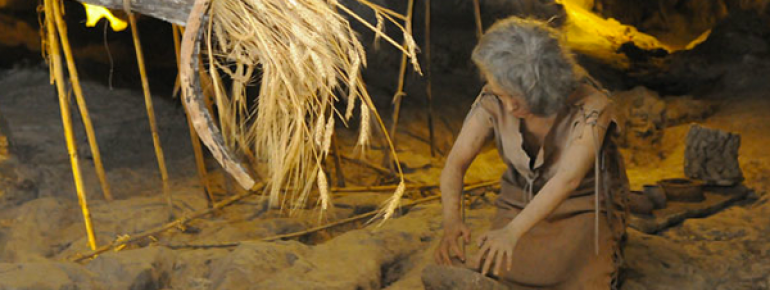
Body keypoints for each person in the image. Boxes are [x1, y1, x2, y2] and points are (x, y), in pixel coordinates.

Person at [433, 17, 629, 289]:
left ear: (547, 84)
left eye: (519, 95)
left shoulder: (591, 106)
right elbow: (455, 164)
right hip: (519, 202)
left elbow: (568, 179)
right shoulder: (494, 97)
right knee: (496, 267)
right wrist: (452, 222)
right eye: (503, 94)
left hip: (581, 206)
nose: (510, 106)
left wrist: (512, 232)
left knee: (569, 277)